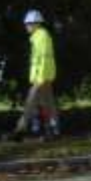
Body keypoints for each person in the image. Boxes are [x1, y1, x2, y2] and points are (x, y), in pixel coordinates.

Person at [10, 9, 60, 140]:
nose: (26, 26)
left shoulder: (41, 36)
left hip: (42, 76)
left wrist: (40, 77)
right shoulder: (38, 37)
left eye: (28, 24)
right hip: (43, 75)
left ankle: (20, 130)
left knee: (30, 101)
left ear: (36, 24)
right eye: (26, 24)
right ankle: (53, 131)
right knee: (48, 103)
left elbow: (44, 58)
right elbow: (38, 60)